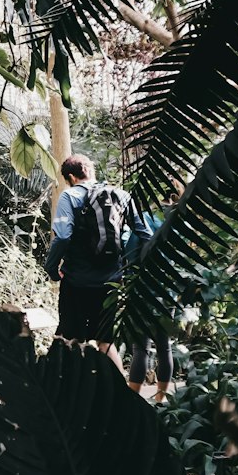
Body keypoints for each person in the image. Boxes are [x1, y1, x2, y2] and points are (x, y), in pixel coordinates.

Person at [44, 155, 149, 369]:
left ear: (71, 177)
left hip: (77, 281)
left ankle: (69, 396)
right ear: (91, 172)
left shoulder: (70, 196)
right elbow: (145, 234)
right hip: (110, 282)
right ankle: (122, 395)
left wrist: (51, 268)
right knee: (105, 341)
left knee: (69, 339)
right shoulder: (121, 195)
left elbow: (63, 236)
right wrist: (132, 271)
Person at [124, 180, 183, 402]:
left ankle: (132, 400)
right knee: (164, 347)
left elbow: (130, 252)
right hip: (167, 291)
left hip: (142, 289)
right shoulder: (178, 220)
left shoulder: (145, 218)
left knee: (141, 348)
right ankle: (161, 398)